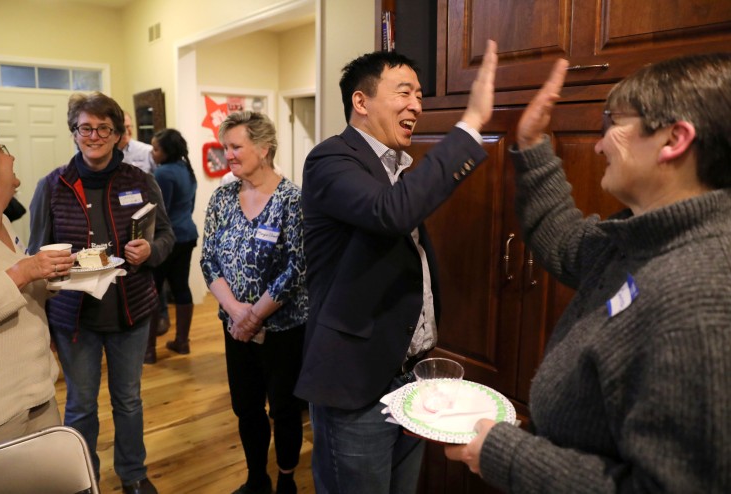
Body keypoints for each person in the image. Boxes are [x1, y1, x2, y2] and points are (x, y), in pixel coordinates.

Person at [444, 53, 731, 492]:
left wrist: (505, 454)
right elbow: (567, 242)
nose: (598, 145)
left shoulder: (700, 297)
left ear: (674, 138)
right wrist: (533, 142)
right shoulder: (642, 241)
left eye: (613, 124)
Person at [294, 40, 498, 494]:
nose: (416, 105)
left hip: (409, 375)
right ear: (360, 102)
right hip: (356, 383)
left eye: (420, 95)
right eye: (404, 92)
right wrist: (470, 126)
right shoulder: (331, 159)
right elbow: (391, 214)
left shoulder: (394, 168)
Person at [28, 92, 175, 494]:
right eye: (85, 128)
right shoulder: (53, 186)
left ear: (117, 135)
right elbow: (33, 252)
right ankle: (82, 478)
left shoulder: (140, 181)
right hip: (74, 318)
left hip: (130, 311)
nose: (94, 136)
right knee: (81, 404)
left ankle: (133, 474)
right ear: (74, 132)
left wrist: (150, 251)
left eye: (103, 129)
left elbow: (165, 236)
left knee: (128, 400)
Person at [200, 111, 308, 494]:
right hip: (235, 327)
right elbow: (208, 259)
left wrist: (255, 315)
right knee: (246, 408)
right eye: (225, 146)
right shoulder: (222, 197)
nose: (227, 155)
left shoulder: (292, 199)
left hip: (282, 329)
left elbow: (296, 268)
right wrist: (235, 312)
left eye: (235, 147)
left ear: (263, 149)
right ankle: (256, 479)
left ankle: (287, 478)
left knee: (283, 408)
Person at [0, 122, 72, 453]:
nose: (10, 155)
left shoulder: (3, 222)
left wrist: (47, 278)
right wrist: (21, 272)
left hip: (40, 394)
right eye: (1, 149)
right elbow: (11, 280)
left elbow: (17, 292)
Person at [144, 128, 198, 363]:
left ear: (166, 151)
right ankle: (182, 342)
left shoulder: (163, 173)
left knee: (153, 290)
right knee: (181, 287)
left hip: (166, 240)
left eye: (155, 149)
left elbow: (158, 210)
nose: (152, 153)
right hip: (187, 233)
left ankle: (148, 350)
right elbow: (190, 204)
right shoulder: (187, 168)